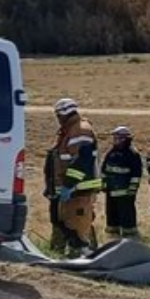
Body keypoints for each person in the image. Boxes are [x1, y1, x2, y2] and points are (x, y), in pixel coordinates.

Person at [49, 98, 101, 256]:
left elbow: (81, 161)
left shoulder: (79, 130)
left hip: (79, 189)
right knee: (68, 223)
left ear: (63, 114)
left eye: (58, 115)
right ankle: (70, 254)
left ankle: (83, 257)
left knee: (78, 227)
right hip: (72, 189)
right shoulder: (70, 130)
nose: (57, 119)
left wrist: (69, 184)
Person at [101, 126, 142, 240]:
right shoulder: (111, 152)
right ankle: (113, 239)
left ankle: (130, 239)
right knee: (112, 217)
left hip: (125, 194)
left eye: (118, 138)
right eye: (114, 138)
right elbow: (104, 170)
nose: (115, 140)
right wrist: (104, 185)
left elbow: (136, 175)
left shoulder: (132, 154)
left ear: (125, 138)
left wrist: (132, 190)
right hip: (111, 193)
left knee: (127, 217)